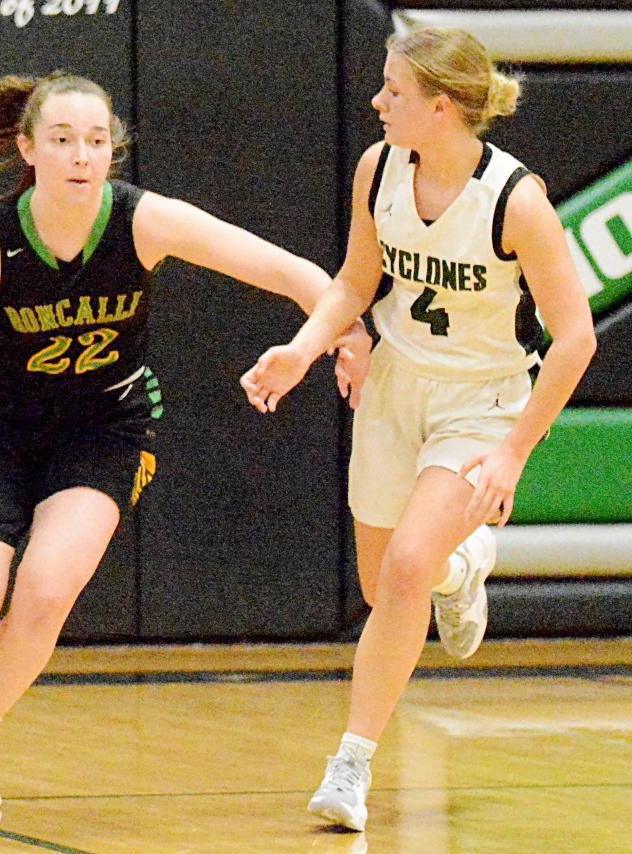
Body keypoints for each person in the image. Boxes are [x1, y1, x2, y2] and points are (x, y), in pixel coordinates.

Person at [0, 71, 372, 810]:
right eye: (61, 140)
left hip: (104, 427)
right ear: (29, 148)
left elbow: (289, 270)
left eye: (95, 140)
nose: (82, 155)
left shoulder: (142, 221)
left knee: (48, 591)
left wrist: (342, 331)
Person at [241, 28, 596, 832]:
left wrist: (513, 452)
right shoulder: (379, 171)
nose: (376, 102)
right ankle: (459, 568)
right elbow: (355, 281)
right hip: (397, 389)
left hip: (482, 404)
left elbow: (576, 338)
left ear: (439, 107)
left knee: (404, 566)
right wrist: (302, 349)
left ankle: (351, 765)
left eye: (392, 92)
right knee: (385, 587)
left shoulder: (517, 202)